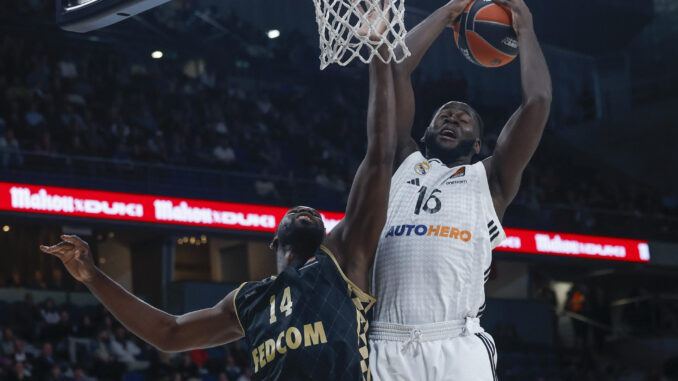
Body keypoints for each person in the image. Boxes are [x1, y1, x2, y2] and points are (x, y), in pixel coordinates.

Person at [40, 13, 397, 380]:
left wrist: (379, 48)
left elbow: (381, 155)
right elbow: (169, 333)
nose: (309, 210)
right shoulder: (249, 300)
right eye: (296, 211)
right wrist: (92, 276)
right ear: (274, 241)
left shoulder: (341, 263)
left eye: (317, 216)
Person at [368, 0, 552, 379]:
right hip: (385, 341)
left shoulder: (491, 179)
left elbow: (538, 101)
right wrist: (448, 12)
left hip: (456, 341)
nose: (452, 118)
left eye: (463, 119)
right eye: (444, 116)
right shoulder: (403, 163)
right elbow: (396, 70)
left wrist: (525, 30)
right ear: (425, 133)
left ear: (478, 145)